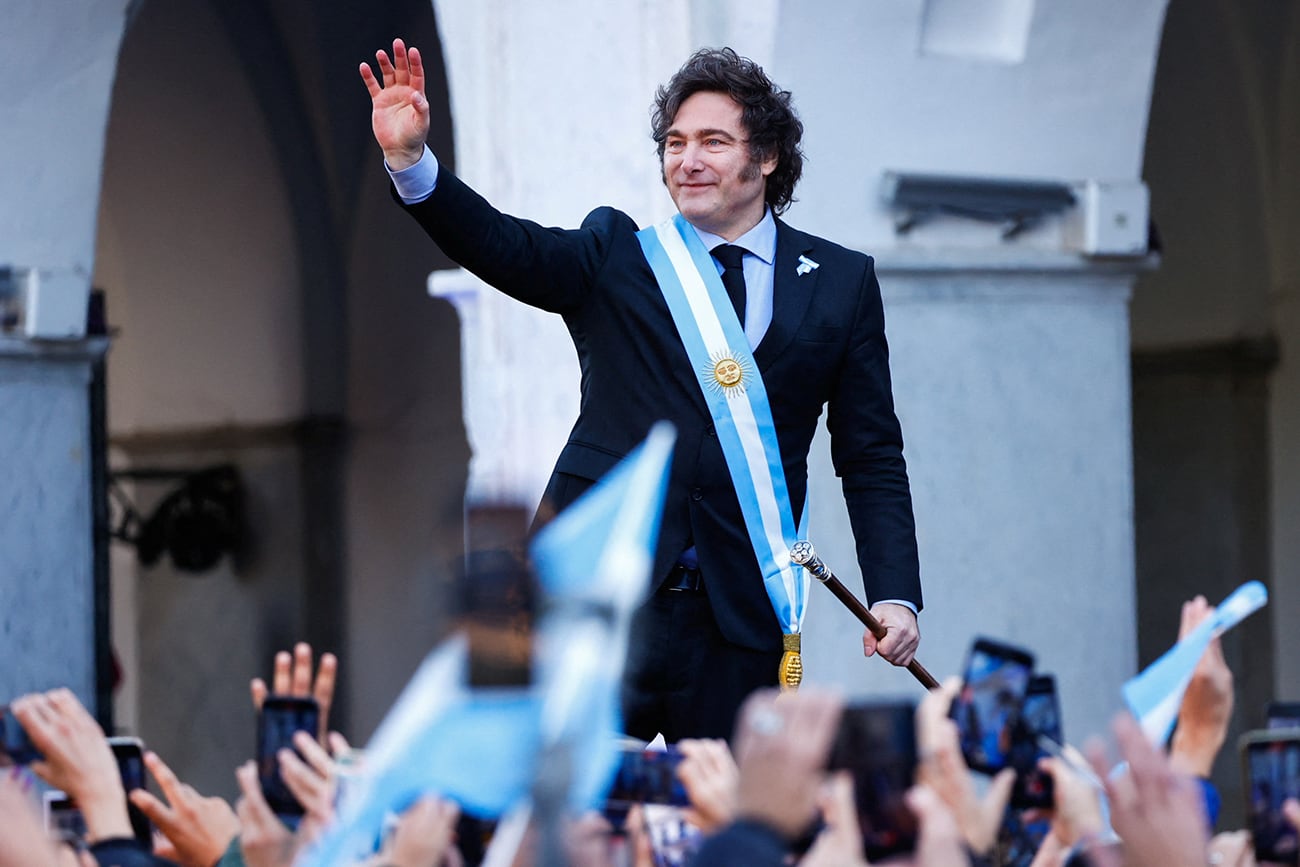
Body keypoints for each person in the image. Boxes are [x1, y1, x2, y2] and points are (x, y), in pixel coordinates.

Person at [360, 39, 923, 741]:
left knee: (718, 830)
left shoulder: (840, 282)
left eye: (713, 141)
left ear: (768, 157)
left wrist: (894, 594)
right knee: (572, 831)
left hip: (741, 614)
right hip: (597, 602)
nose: (687, 160)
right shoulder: (616, 256)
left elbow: (870, 454)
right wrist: (412, 164)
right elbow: (504, 245)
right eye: (675, 141)